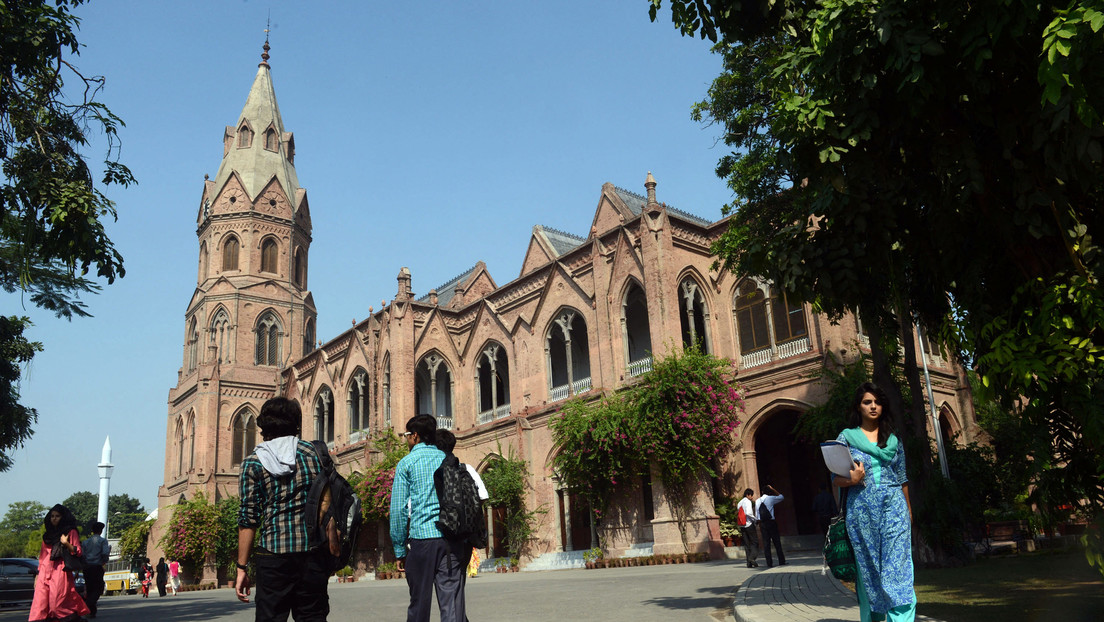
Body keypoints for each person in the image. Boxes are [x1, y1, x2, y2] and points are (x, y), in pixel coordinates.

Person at [235, 397, 330, 622]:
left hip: (273, 556)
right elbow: (328, 504)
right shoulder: (315, 454)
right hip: (312, 553)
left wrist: (242, 567)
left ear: (263, 427)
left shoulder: (253, 463)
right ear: (296, 423)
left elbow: (248, 519)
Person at [834, 381, 916, 622]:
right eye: (867, 402)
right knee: (870, 570)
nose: (873, 407)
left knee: (898, 568)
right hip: (861, 510)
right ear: (858, 407)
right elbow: (835, 478)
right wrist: (852, 478)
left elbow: (902, 478)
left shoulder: (893, 440)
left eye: (877, 402)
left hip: (894, 507)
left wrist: (908, 511)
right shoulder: (846, 438)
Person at [390, 414, 470, 622]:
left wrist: (399, 549)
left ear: (415, 436)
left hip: (422, 541)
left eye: (407, 435)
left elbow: (398, 510)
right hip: (450, 539)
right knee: (452, 604)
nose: (406, 439)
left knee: (419, 606)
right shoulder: (447, 459)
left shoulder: (407, 463)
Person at [30, 504, 91, 622]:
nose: (54, 518)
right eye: (52, 516)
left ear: (63, 517)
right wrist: (38, 575)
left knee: (57, 602)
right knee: (40, 602)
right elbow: (43, 556)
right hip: (45, 570)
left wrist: (66, 543)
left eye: (57, 516)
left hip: (60, 569)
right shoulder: (47, 535)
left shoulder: (70, 532)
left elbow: (77, 551)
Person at [80, 521, 109, 617]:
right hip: (97, 566)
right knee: (99, 587)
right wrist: (104, 560)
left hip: (87, 567)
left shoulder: (85, 542)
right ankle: (89, 603)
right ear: (101, 531)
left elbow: (82, 555)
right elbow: (105, 553)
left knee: (90, 587)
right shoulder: (103, 541)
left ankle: (92, 611)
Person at [755, 484, 786, 567]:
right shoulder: (771, 498)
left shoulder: (757, 501)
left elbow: (757, 515)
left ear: (762, 492)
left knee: (766, 544)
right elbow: (781, 497)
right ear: (770, 492)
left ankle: (769, 563)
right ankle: (781, 560)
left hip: (763, 524)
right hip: (771, 522)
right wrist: (773, 489)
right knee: (777, 542)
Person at [736, 489, 759, 568]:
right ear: (748, 495)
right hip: (749, 524)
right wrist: (755, 519)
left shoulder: (739, 503)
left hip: (742, 525)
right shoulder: (747, 502)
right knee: (754, 542)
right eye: (751, 495)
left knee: (746, 544)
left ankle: (749, 563)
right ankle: (751, 558)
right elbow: (748, 513)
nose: (752, 497)